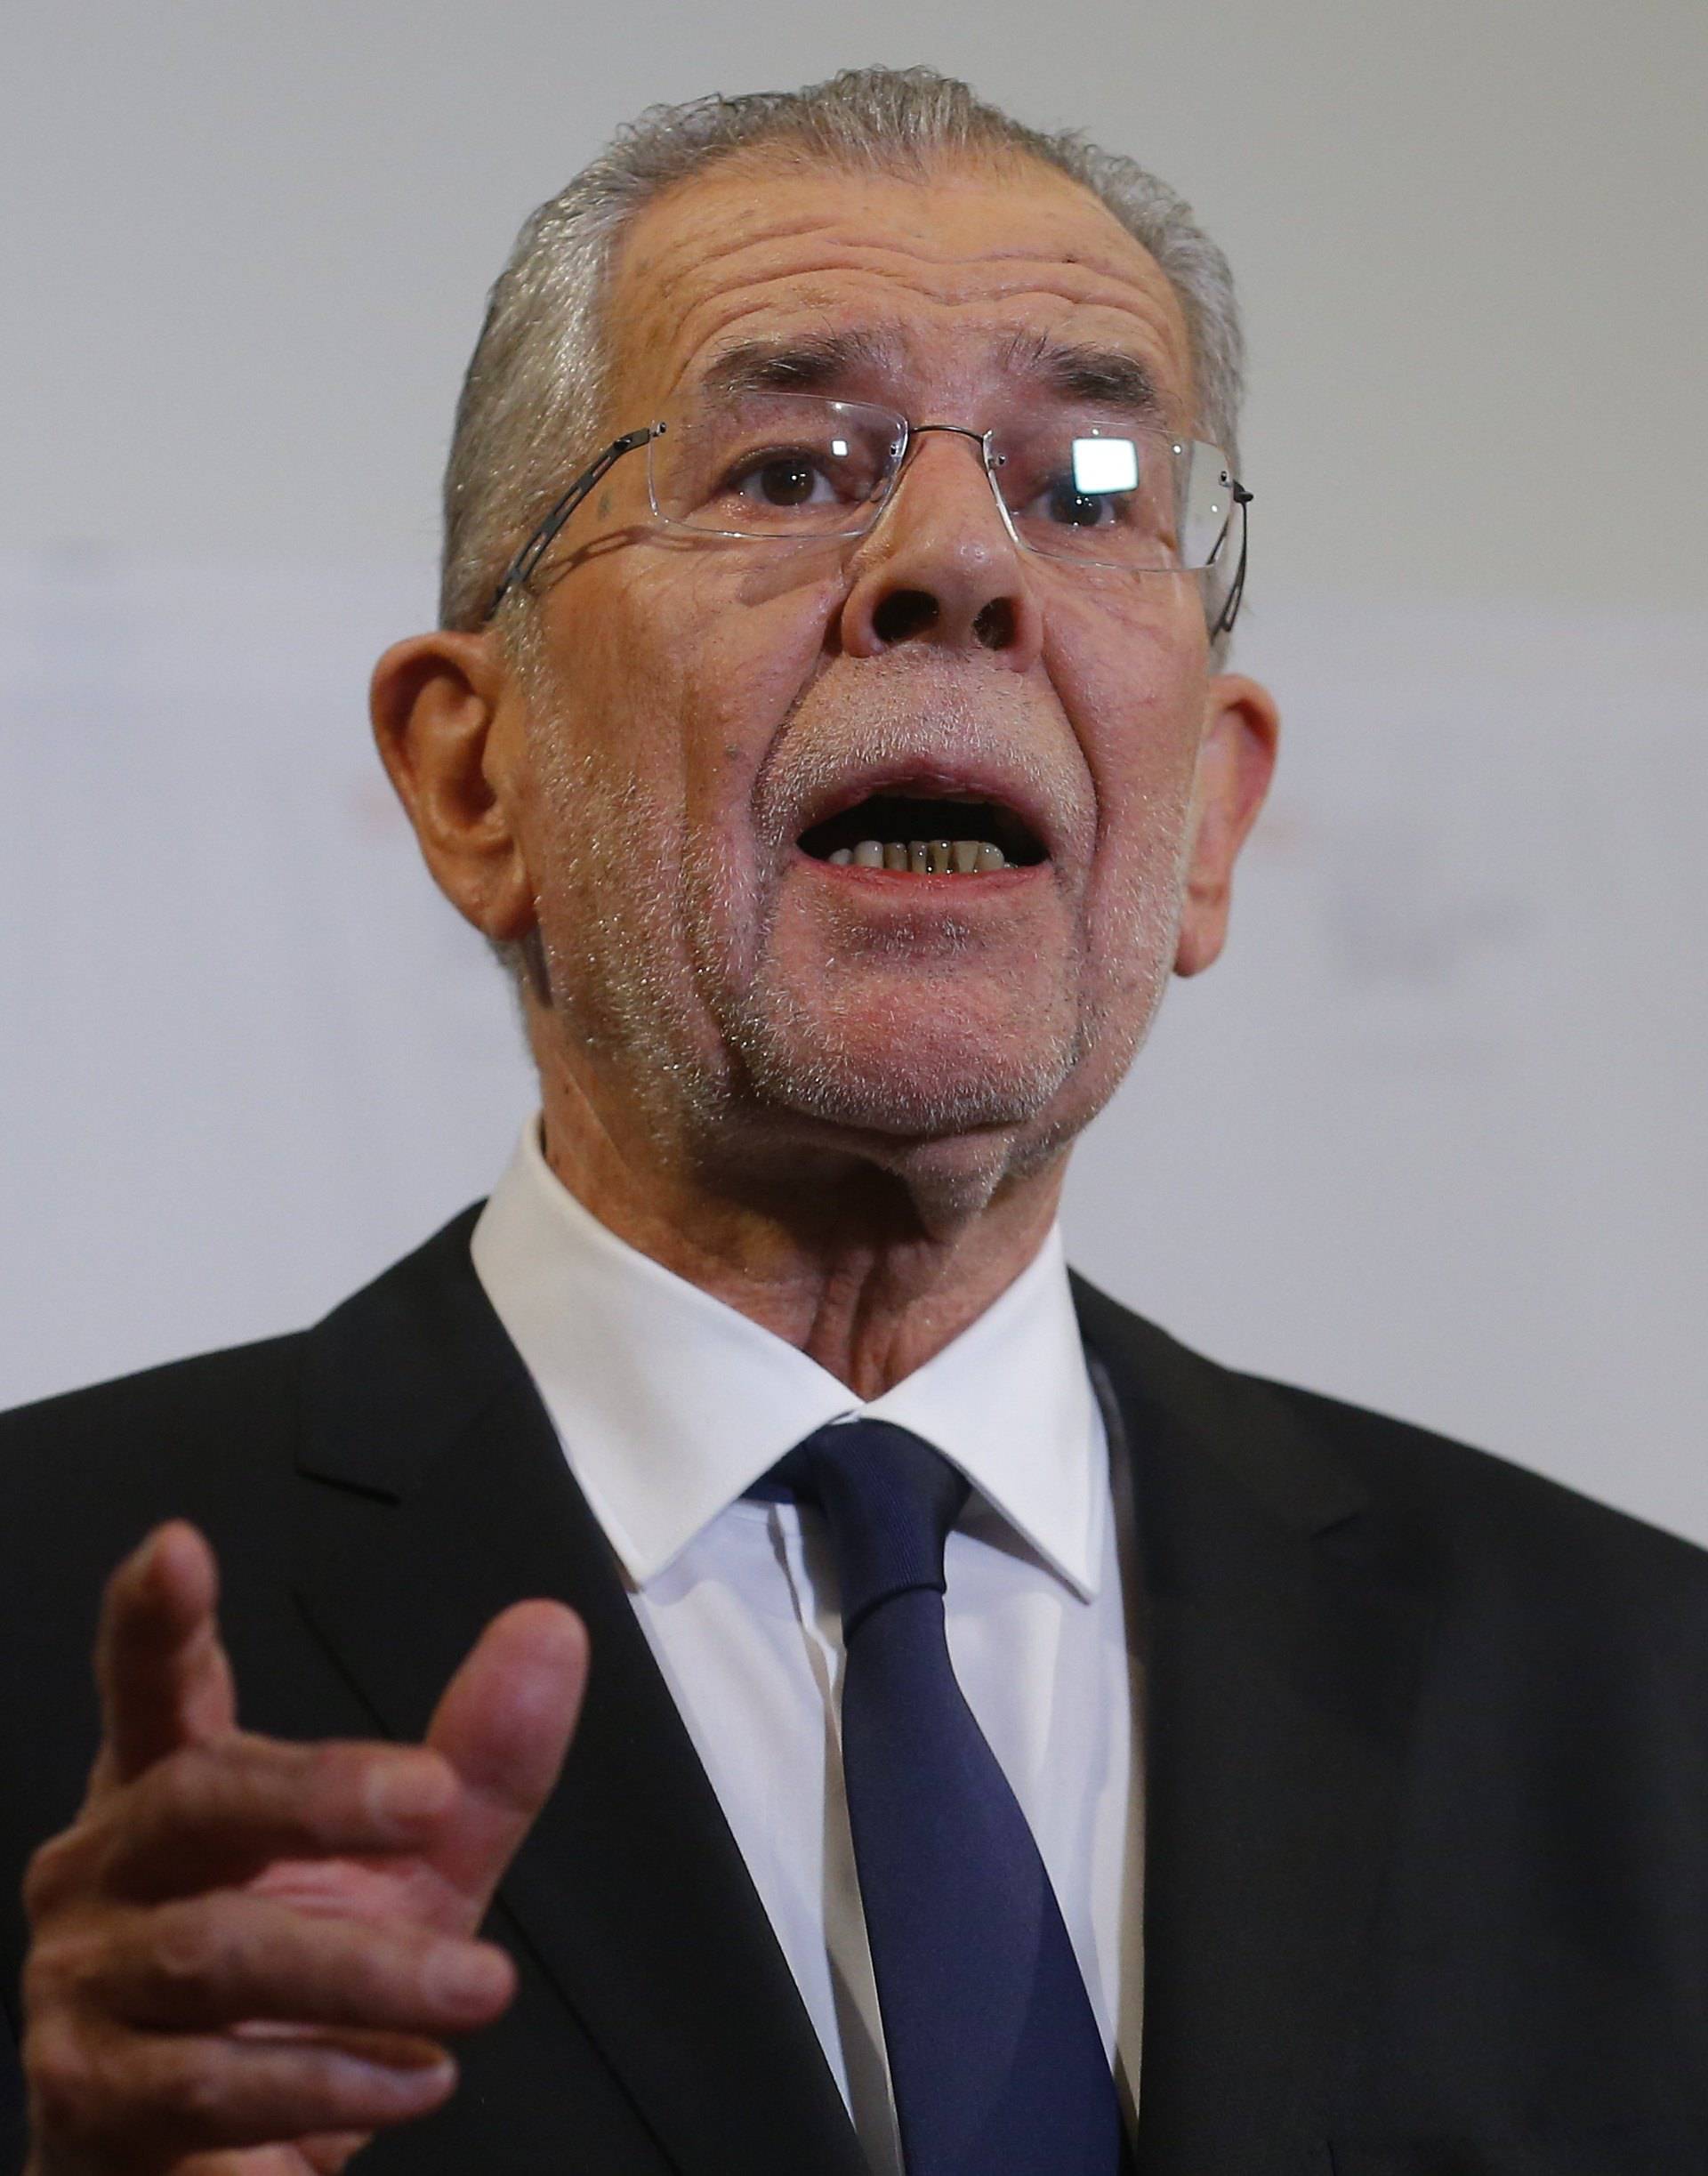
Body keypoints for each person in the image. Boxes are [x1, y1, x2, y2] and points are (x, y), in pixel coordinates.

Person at [3, 63, 1705, 2176]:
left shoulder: (1645, 1702)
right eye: (794, 462)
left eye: (1091, 484)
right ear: (472, 774)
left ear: (1209, 826)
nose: (960, 566)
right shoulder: (41, 1632)